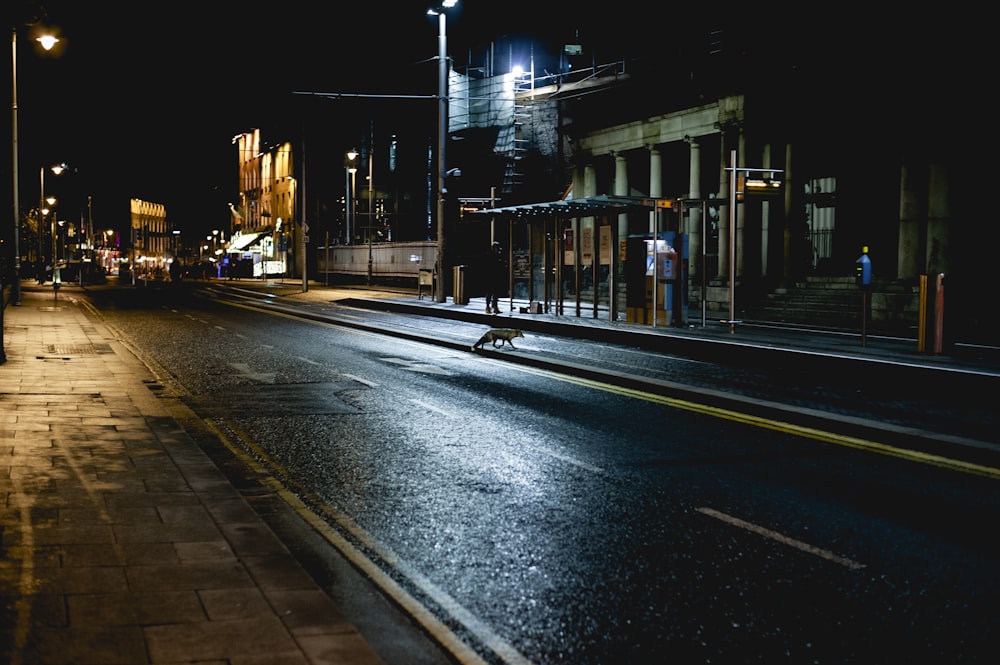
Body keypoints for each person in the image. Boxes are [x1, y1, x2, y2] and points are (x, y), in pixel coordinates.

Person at [484, 241, 506, 314]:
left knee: (495, 293)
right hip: (490, 277)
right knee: (490, 293)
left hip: (494, 277)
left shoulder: (497, 256)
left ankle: (494, 307)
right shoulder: (490, 256)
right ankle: (488, 307)